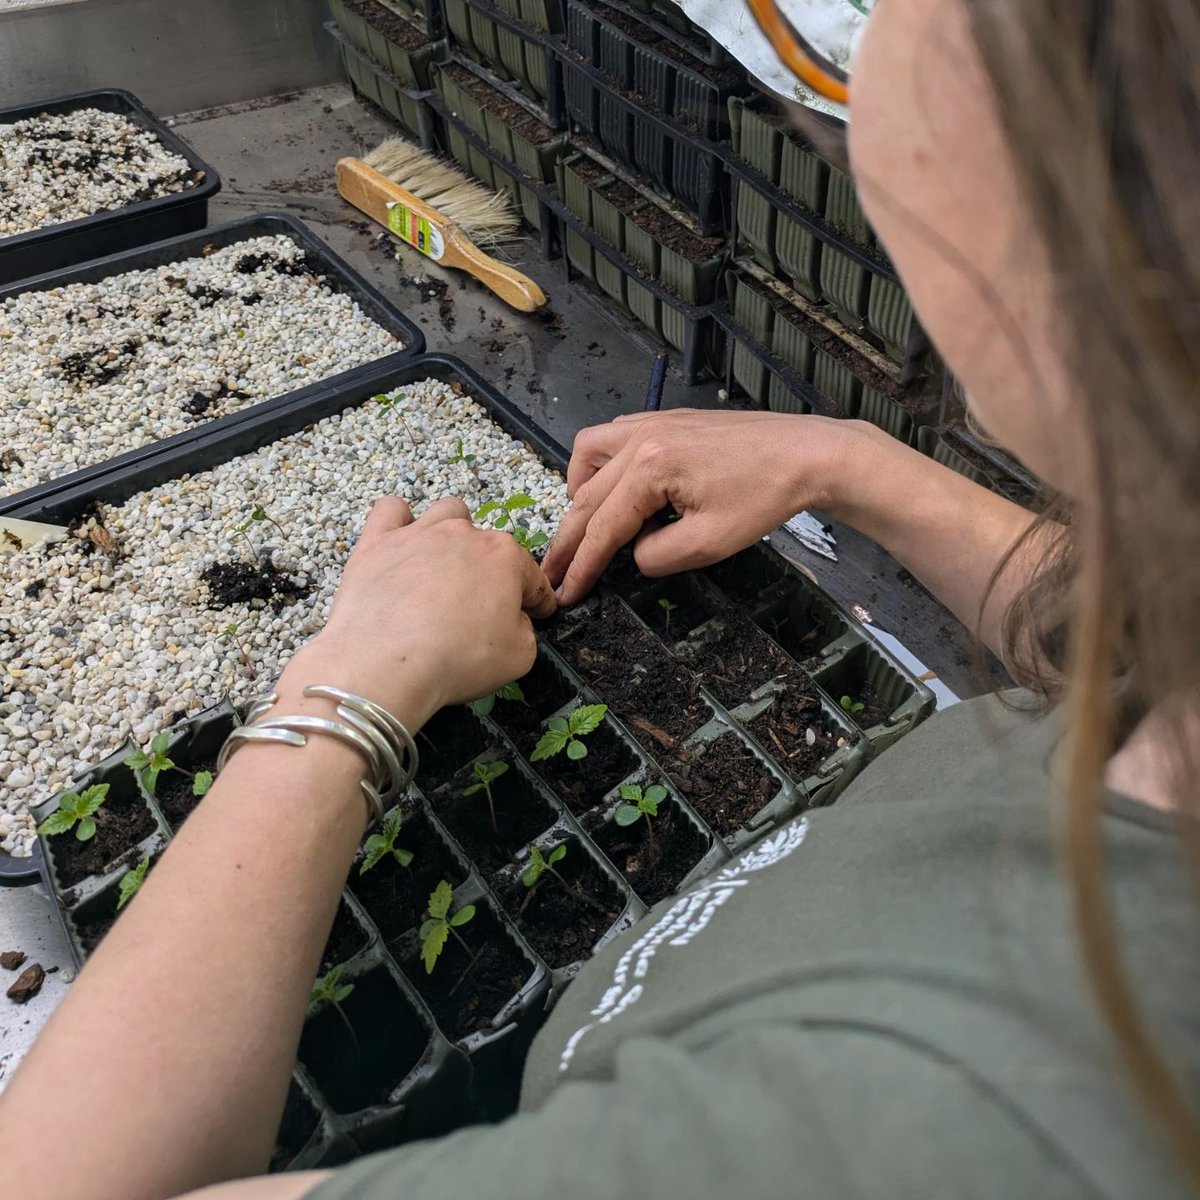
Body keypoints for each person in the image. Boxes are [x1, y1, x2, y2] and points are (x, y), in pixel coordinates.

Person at [0, 0, 1196, 1196]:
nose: (853, 36)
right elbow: (1134, 640)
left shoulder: (870, 1136)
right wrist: (855, 464)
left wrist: (344, 691)